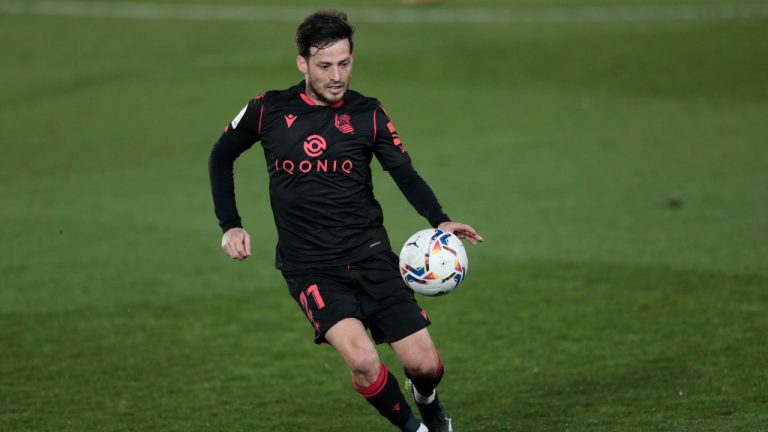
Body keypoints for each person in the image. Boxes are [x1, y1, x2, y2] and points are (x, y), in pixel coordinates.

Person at [208, 9, 482, 432]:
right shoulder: (268, 110)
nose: (336, 75)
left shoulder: (368, 114)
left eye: (344, 63)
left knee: (425, 365)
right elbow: (220, 155)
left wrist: (439, 220)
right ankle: (418, 430)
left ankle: (425, 396)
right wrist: (231, 223)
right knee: (362, 360)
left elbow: (404, 172)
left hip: (370, 254)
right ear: (302, 63)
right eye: (324, 65)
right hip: (310, 266)